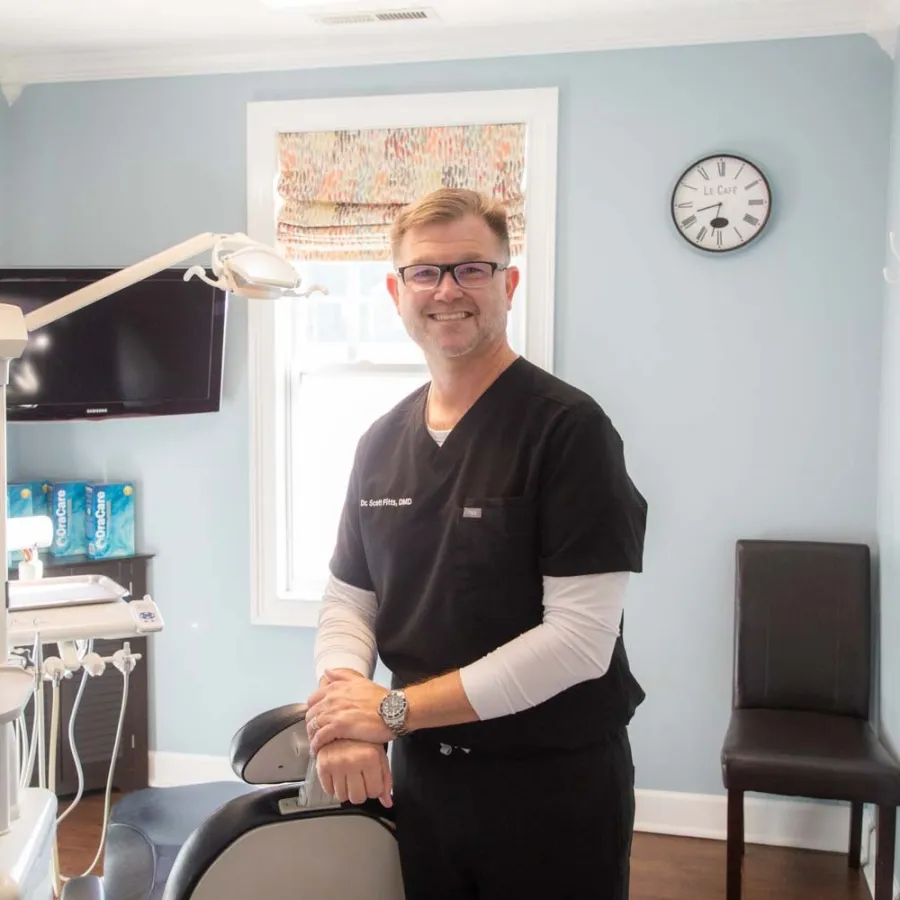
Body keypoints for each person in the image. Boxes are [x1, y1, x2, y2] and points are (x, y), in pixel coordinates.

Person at [305, 187, 648, 900]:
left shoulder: (569, 432)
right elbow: (349, 595)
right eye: (426, 272)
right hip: (425, 782)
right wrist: (347, 713)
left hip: (552, 786)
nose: (448, 290)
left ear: (508, 284)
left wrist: (390, 711)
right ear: (397, 292)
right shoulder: (379, 442)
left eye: (472, 269)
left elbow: (580, 641)